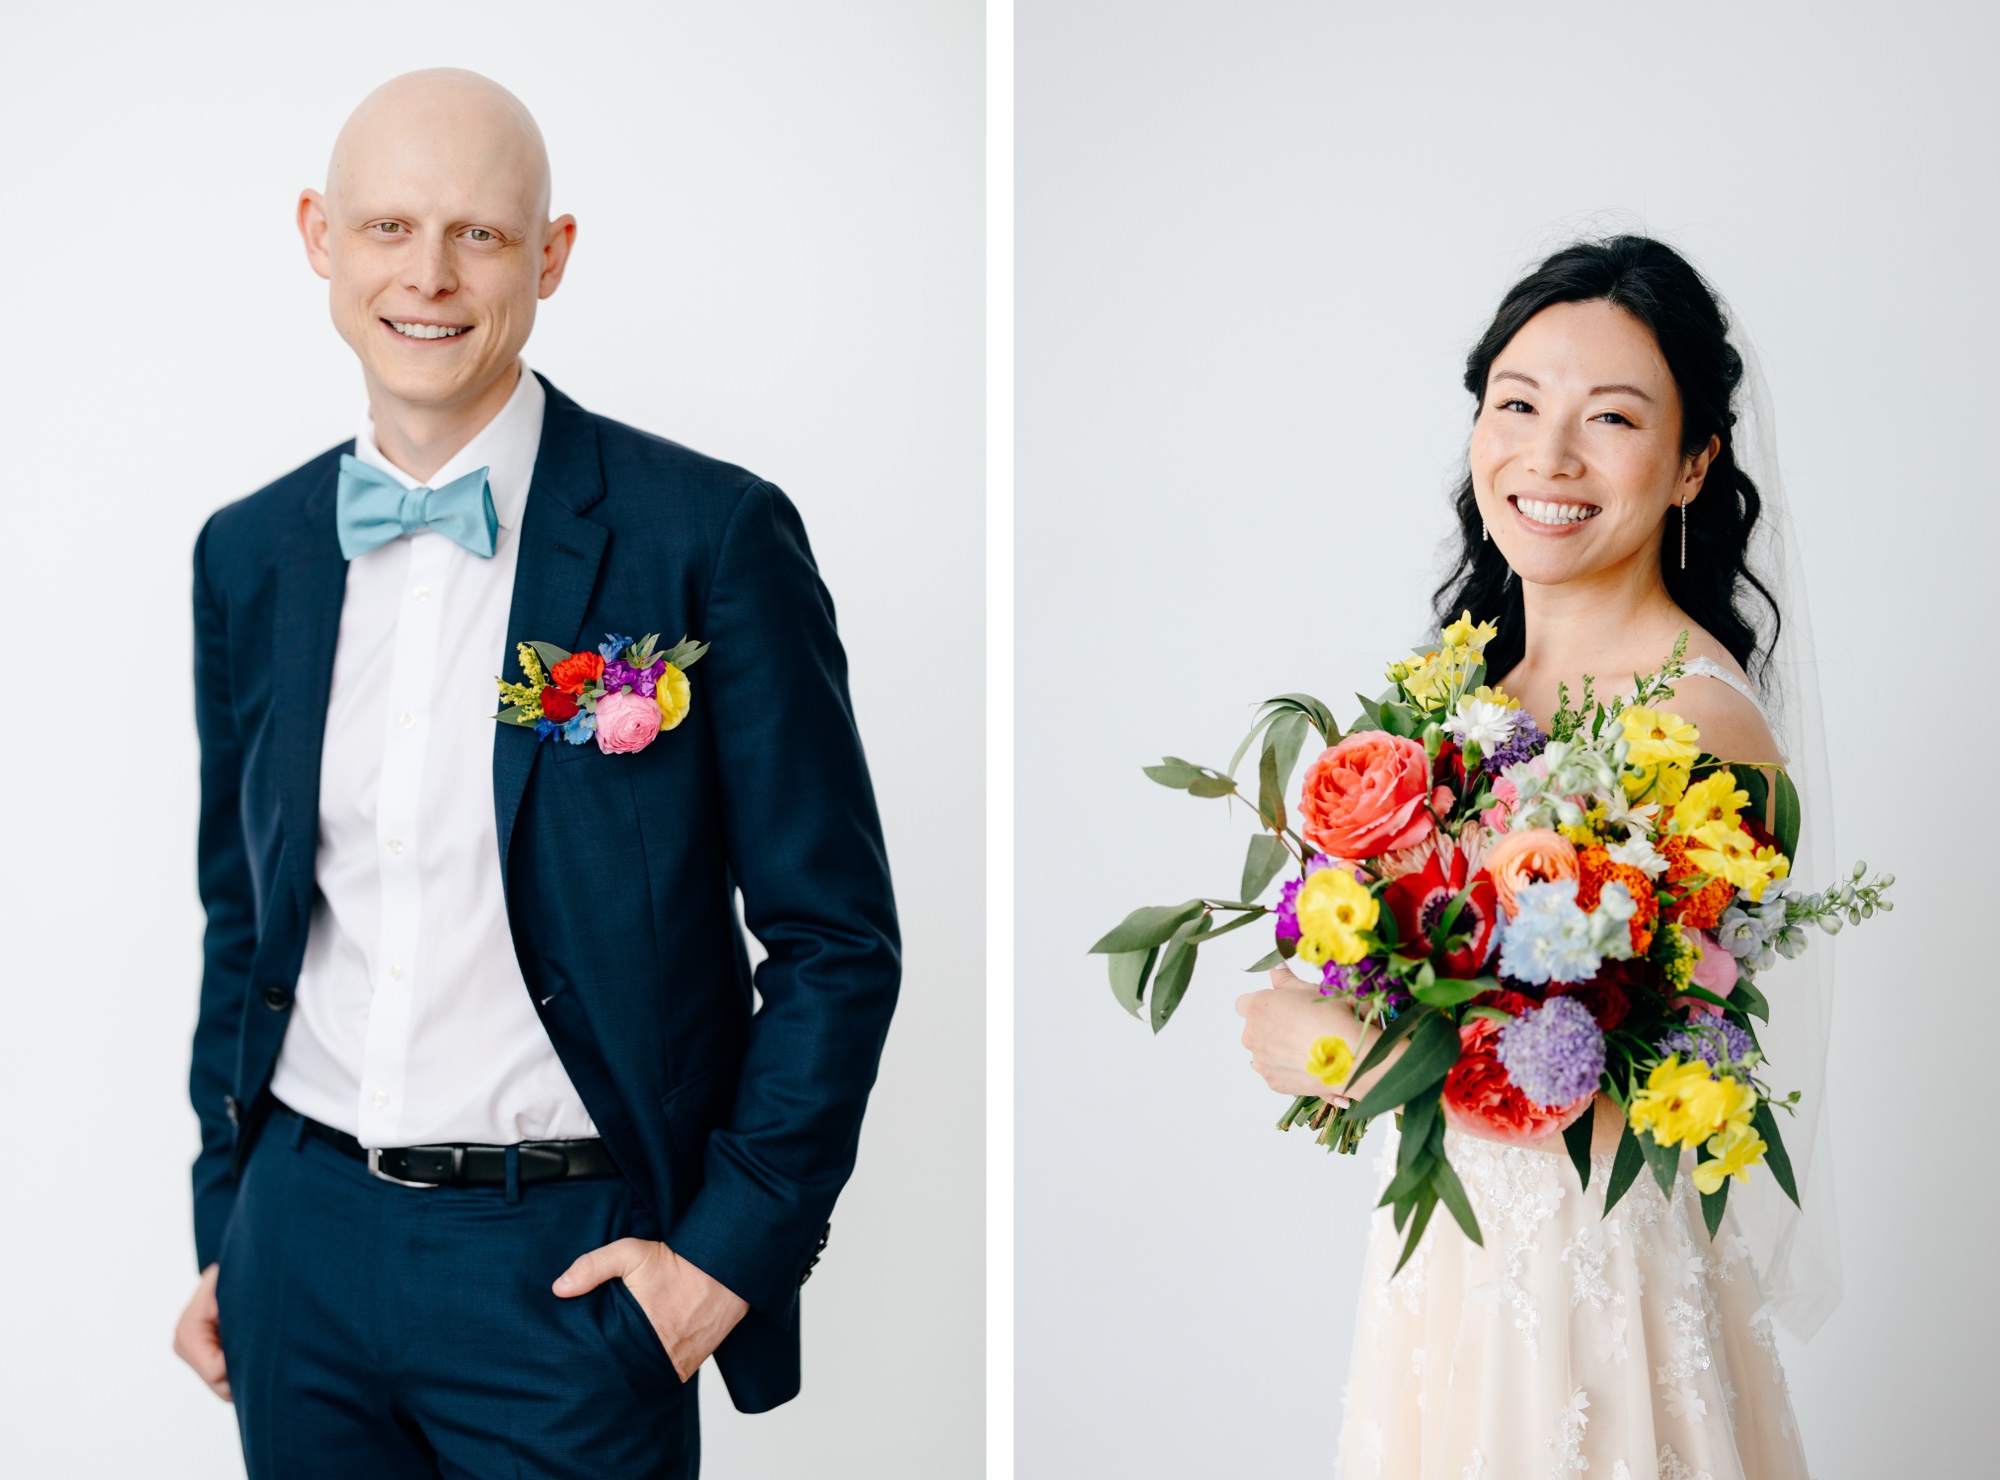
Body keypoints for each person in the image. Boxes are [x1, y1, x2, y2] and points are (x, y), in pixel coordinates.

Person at [169, 69, 900, 1479]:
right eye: (387, 228)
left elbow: (836, 941)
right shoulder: (247, 552)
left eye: (480, 236)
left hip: (563, 1277)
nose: (428, 277)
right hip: (299, 1258)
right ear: (319, 235)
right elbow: (240, 917)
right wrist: (230, 1227)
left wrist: (723, 1263)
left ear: (551, 254)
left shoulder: (711, 535)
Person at [1237, 237, 1816, 1478]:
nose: (1546, 458)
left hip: (1588, 1281)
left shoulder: (1705, 725)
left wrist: (1348, 1056)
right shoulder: (1463, 696)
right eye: (1514, 404)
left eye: (1608, 418)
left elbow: (1607, 1068)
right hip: (1454, 1271)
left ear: (1690, 463)